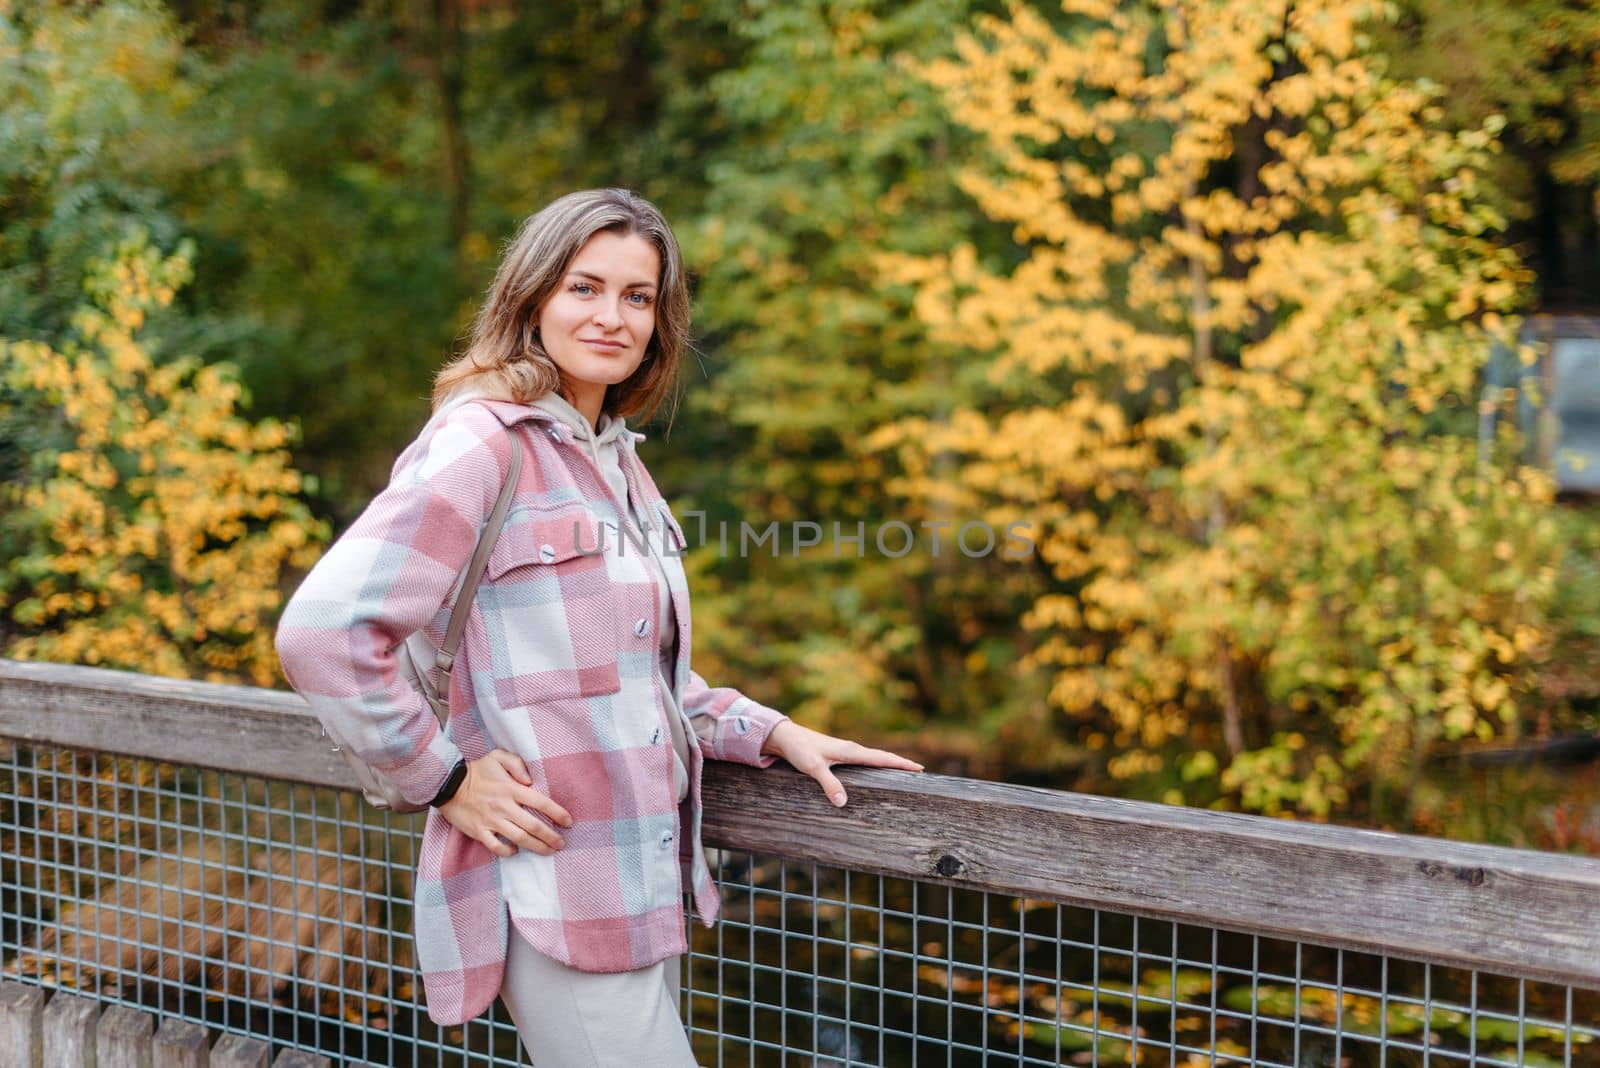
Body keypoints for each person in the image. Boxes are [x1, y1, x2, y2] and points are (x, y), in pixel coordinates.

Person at [274, 187, 924, 1065]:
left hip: (642, 882)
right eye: (584, 287)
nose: (612, 316)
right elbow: (323, 632)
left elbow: (637, 679)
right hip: (550, 887)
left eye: (638, 296)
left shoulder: (616, 462)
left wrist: (769, 731)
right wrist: (443, 778)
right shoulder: (482, 446)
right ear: (533, 296)